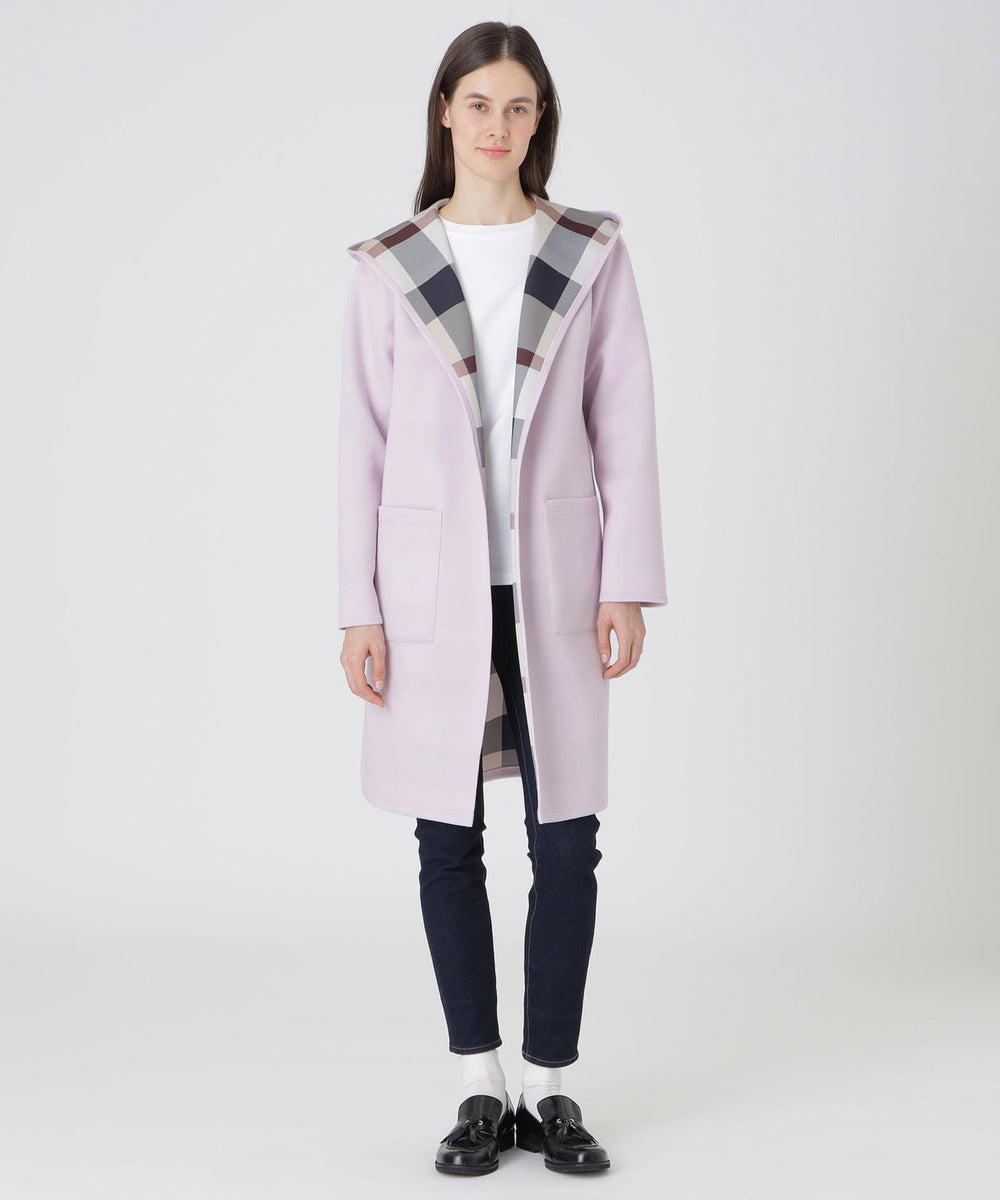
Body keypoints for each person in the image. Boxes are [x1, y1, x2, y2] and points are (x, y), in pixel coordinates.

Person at [338, 21, 668, 1176]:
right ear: (445, 112)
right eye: (477, 103)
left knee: (566, 839)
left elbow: (623, 421)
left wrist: (628, 580)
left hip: (557, 581)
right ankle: (479, 1085)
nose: (497, 125)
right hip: (430, 585)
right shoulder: (391, 263)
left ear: (540, 121)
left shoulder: (587, 252)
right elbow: (360, 448)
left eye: (518, 106)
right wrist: (358, 606)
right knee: (446, 835)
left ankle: (551, 1086)